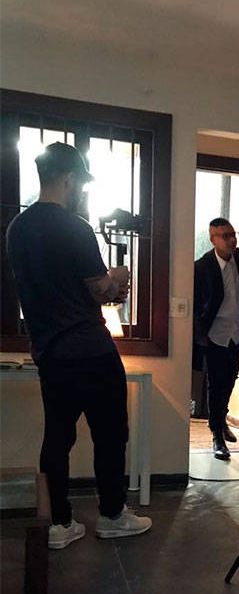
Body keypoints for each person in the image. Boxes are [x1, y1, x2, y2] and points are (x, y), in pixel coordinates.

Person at [6, 142, 152, 548]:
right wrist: (119, 275)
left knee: (57, 438)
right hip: (90, 350)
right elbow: (102, 290)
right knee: (110, 433)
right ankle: (112, 516)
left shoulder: (17, 228)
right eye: (81, 183)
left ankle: (58, 524)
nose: (82, 191)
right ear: (69, 178)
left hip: (50, 353)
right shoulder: (74, 227)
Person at [193, 218, 239, 461]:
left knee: (231, 378)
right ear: (213, 240)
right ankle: (217, 434)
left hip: (237, 331)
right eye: (224, 236)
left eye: (233, 234)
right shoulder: (202, 267)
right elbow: (197, 301)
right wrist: (200, 332)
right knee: (216, 383)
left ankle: (221, 418)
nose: (231, 240)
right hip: (215, 333)